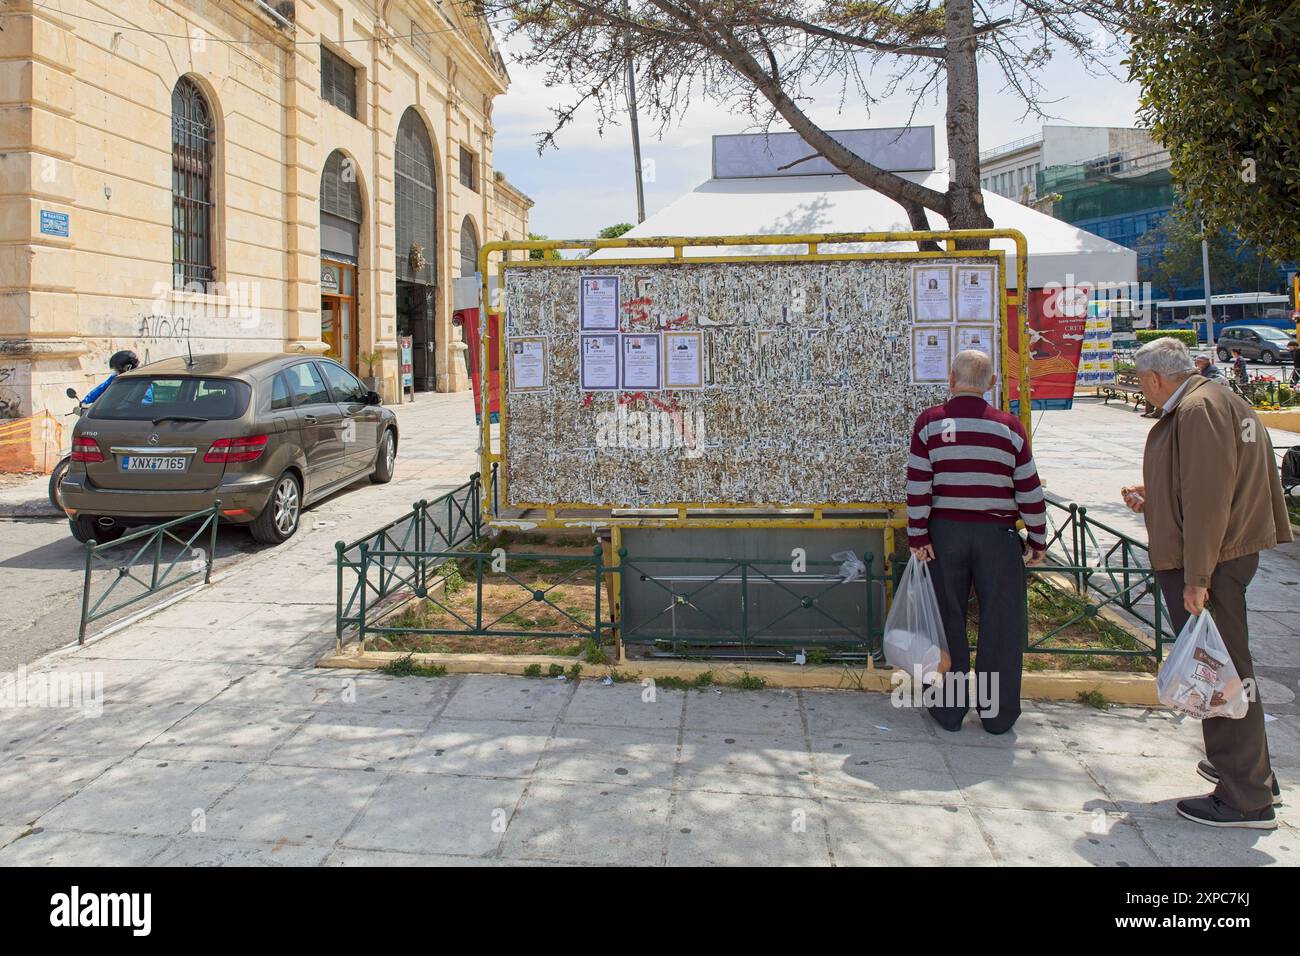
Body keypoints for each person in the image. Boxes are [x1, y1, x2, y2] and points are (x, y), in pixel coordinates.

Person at [1120, 338, 1291, 829]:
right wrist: (1156, 498)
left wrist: (1197, 576)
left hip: (1212, 563)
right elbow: (1207, 483)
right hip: (1224, 555)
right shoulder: (1219, 400)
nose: (1144, 391)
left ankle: (1245, 798)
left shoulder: (1197, 410)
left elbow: (1210, 500)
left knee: (1219, 676)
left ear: (1155, 378)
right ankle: (1250, 772)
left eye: (1141, 382)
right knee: (1227, 667)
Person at [906, 349, 1047, 735]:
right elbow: (1029, 490)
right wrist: (1037, 538)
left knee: (945, 620)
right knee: (1001, 625)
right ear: (992, 384)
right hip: (997, 537)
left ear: (951, 381)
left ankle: (948, 712)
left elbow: (919, 485)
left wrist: (917, 535)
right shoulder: (1009, 427)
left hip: (944, 536)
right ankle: (997, 716)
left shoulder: (930, 423)